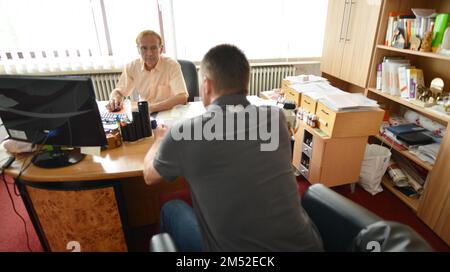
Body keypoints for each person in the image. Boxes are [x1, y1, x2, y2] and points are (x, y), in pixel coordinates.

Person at [143, 44, 323, 251]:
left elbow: (150, 176)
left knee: (171, 209)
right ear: (246, 83)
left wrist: (159, 140)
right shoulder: (275, 118)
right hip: (308, 247)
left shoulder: (184, 133)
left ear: (207, 86)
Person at [107, 30, 188, 113]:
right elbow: (118, 91)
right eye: (144, 48)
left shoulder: (172, 65)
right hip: (145, 114)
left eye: (153, 48)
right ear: (138, 49)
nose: (149, 53)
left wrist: (151, 108)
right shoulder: (131, 66)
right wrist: (115, 98)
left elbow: (182, 97)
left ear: (161, 49)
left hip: (168, 112)